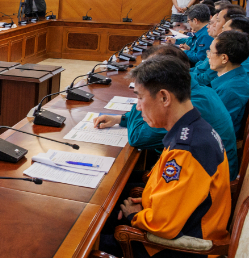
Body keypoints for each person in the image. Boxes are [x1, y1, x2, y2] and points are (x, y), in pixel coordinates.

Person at [99, 55, 231, 258]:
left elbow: (164, 225)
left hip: (181, 246)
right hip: (183, 221)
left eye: (140, 98)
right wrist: (145, 201)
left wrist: (133, 215)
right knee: (110, 212)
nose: (139, 107)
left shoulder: (187, 149)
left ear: (164, 97)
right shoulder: (192, 128)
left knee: (95, 238)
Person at [94, 45, 238, 180]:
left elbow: (138, 137)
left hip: (206, 183)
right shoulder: (195, 92)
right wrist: (121, 119)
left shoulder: (188, 107)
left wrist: (143, 92)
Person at [208, 30, 249, 135]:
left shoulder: (230, 90)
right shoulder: (236, 78)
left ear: (224, 58)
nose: (208, 56)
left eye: (211, 52)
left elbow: (215, 126)